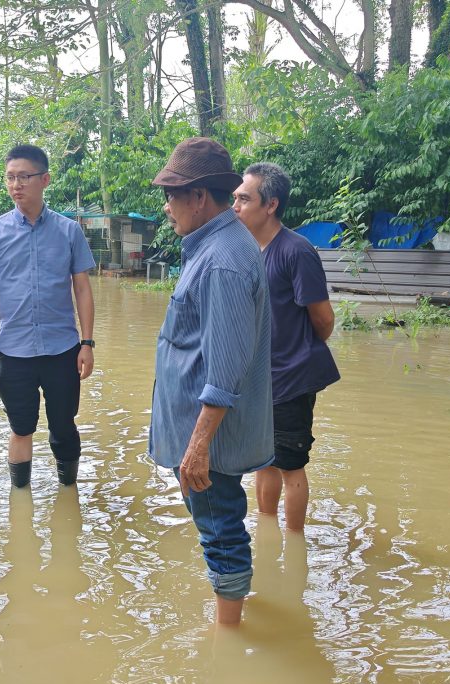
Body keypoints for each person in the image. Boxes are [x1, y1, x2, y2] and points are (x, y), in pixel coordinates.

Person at [149, 138, 275, 626]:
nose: (167, 207)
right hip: (202, 432)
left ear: (199, 197)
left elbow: (224, 371)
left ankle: (229, 637)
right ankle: (235, 606)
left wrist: (199, 445)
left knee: (220, 529)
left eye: (172, 195)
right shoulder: (217, 247)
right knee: (219, 523)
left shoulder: (222, 260)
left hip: (208, 439)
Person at [0, 144, 96, 489]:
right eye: (10, 177)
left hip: (62, 350)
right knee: (20, 428)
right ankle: (20, 501)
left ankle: (68, 495)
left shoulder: (68, 231)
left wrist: (86, 343)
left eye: (24, 177)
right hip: (14, 351)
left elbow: (82, 289)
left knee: (63, 426)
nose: (16, 185)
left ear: (45, 179)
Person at [232, 163, 340, 532]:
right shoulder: (246, 251)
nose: (235, 206)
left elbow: (323, 319)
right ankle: (267, 532)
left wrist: (297, 353)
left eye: (244, 199)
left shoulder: (296, 251)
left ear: (271, 205)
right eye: (235, 198)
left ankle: (294, 543)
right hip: (258, 379)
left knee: (291, 465)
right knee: (263, 461)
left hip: (292, 379)